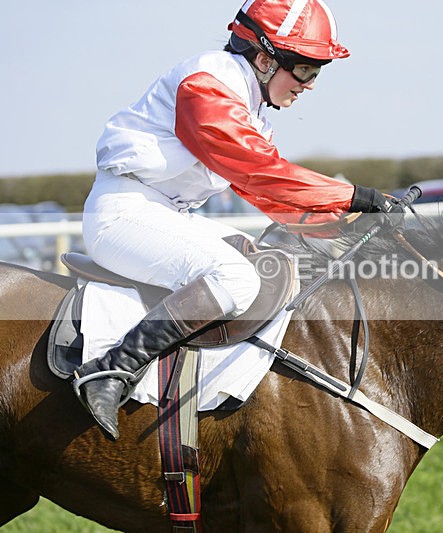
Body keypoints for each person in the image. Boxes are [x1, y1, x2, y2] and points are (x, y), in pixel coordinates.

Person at [74, 0, 401, 440]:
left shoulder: (252, 109)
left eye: (316, 72)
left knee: (270, 259)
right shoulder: (208, 82)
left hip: (166, 215)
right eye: (305, 69)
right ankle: (112, 369)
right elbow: (254, 168)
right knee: (237, 278)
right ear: (265, 58)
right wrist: (352, 195)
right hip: (123, 215)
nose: (309, 85)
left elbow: (267, 195)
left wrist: (351, 224)